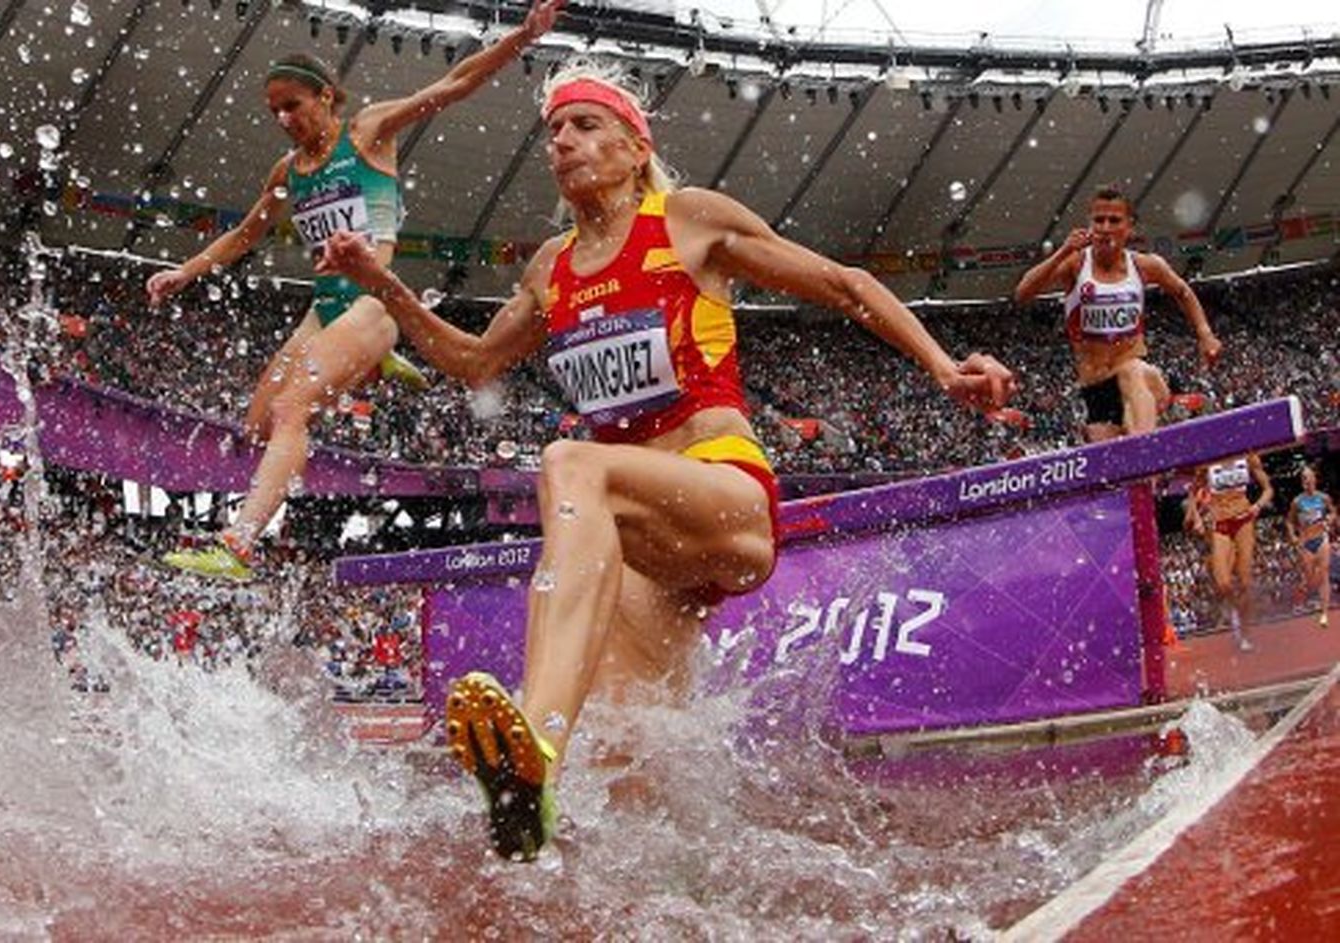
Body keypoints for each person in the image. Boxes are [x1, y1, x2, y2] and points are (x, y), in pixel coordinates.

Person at [318, 63, 1016, 861]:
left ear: (633, 142)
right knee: (630, 762)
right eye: (553, 132)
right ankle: (654, 868)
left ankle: (535, 743)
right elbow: (476, 364)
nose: (563, 143)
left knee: (569, 463)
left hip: (726, 495)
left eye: (584, 126)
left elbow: (845, 283)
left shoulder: (686, 218)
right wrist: (385, 285)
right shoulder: (551, 267)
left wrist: (942, 365)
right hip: (654, 547)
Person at [151, 0, 566, 581]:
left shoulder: (368, 132)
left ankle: (240, 547)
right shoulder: (287, 171)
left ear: (325, 96)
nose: (283, 120)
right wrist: (184, 271)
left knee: (296, 407)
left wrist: (522, 37)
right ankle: (379, 362)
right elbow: (247, 235)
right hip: (324, 310)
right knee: (261, 421)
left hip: (372, 304)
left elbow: (453, 84)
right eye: (274, 111)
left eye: (292, 106)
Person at [1013, 186, 1223, 442]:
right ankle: (1149, 466)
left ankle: (1147, 449)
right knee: (1111, 468)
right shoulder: (1076, 264)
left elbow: (1182, 292)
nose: (1105, 227)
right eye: (1098, 220)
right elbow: (1022, 293)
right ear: (1090, 224)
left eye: (1114, 220)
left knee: (1130, 372)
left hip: (1140, 376)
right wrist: (1063, 251)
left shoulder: (1145, 265)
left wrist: (1205, 335)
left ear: (1129, 227)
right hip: (1096, 387)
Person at [1186, 453, 1272, 650]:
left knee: (1244, 581)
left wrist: (1258, 505)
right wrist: (1197, 518)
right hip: (1220, 522)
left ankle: (1246, 633)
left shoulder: (1249, 457)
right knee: (1223, 583)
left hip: (1243, 519)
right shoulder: (1207, 462)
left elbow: (1268, 489)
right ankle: (1240, 610)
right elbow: (1192, 492)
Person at [1286, 463, 1334, 627]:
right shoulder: (1297, 502)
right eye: (1303, 478)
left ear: (1315, 479)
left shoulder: (1323, 498)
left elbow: (1332, 511)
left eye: (1308, 477)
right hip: (1306, 543)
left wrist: (1330, 520)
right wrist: (1292, 535)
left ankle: (1324, 613)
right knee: (1310, 578)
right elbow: (1289, 521)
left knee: (1324, 572)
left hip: (1321, 539)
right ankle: (1305, 596)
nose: (1306, 480)